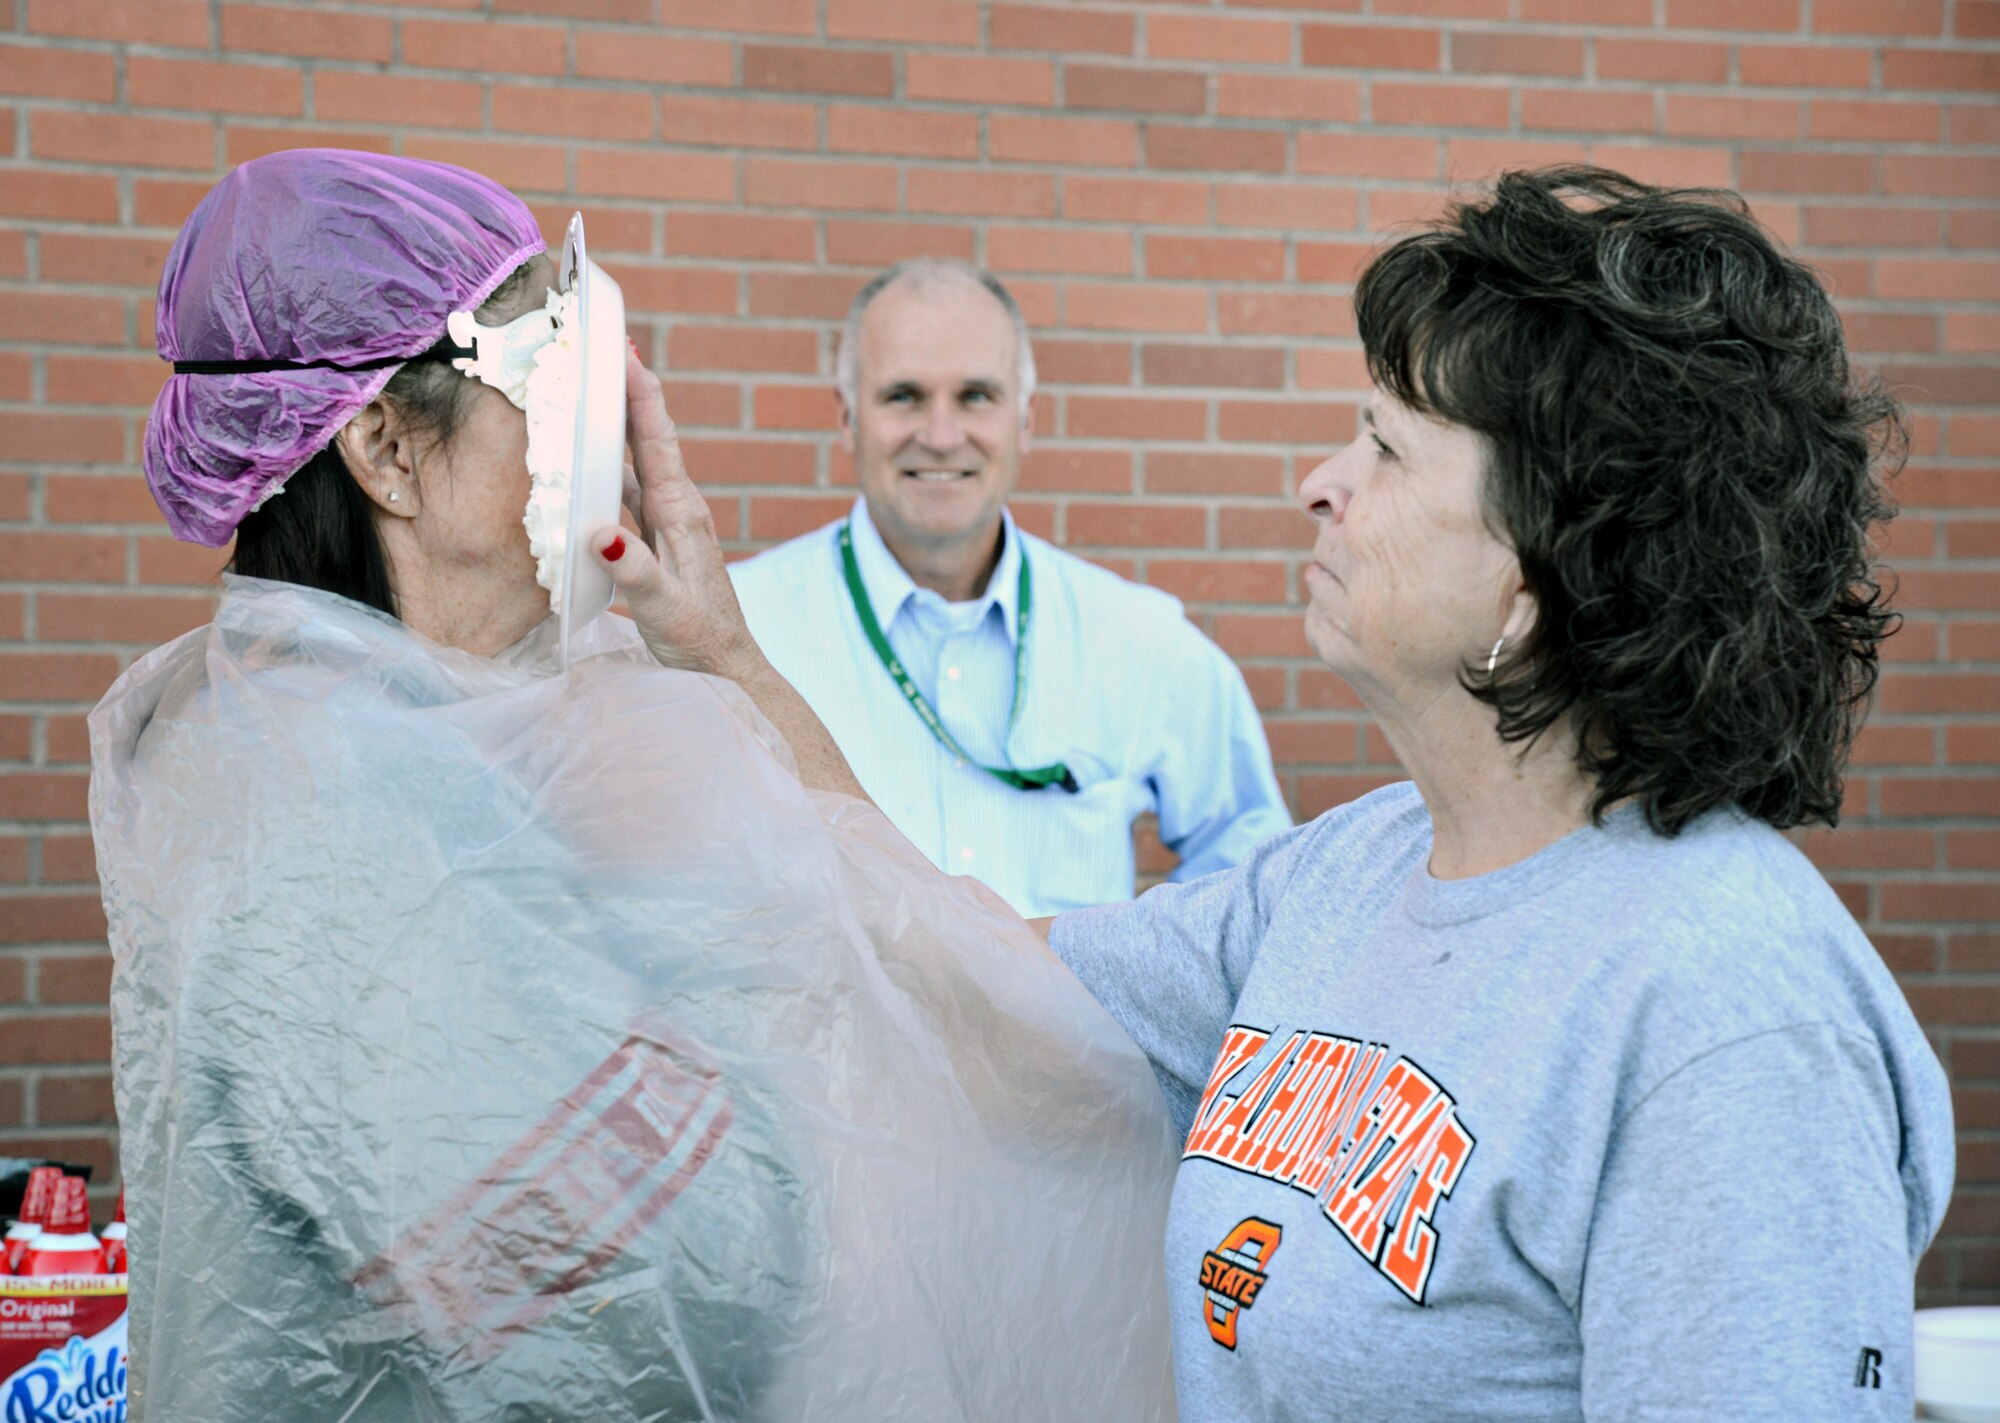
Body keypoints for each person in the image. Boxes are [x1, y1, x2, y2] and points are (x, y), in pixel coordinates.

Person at [597, 167, 1954, 1421]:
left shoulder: (1729, 1020)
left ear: (1532, 582)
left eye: (1385, 446)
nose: (1318, 484)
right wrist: (721, 657)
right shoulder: (1344, 873)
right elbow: (962, 973)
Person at [92, 149, 1178, 1423]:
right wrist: (767, 1057)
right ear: (385, 446)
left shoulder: (465, 732)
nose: (601, 427)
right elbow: (652, 1315)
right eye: (554, 374)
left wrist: (714, 668)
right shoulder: (318, 815)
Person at [727, 259, 1289, 916]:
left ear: (1025, 419)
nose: (940, 436)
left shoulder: (1138, 639)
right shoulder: (740, 631)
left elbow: (1256, 863)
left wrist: (1166, 976)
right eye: (903, 395)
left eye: (976, 397)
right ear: (848, 418)